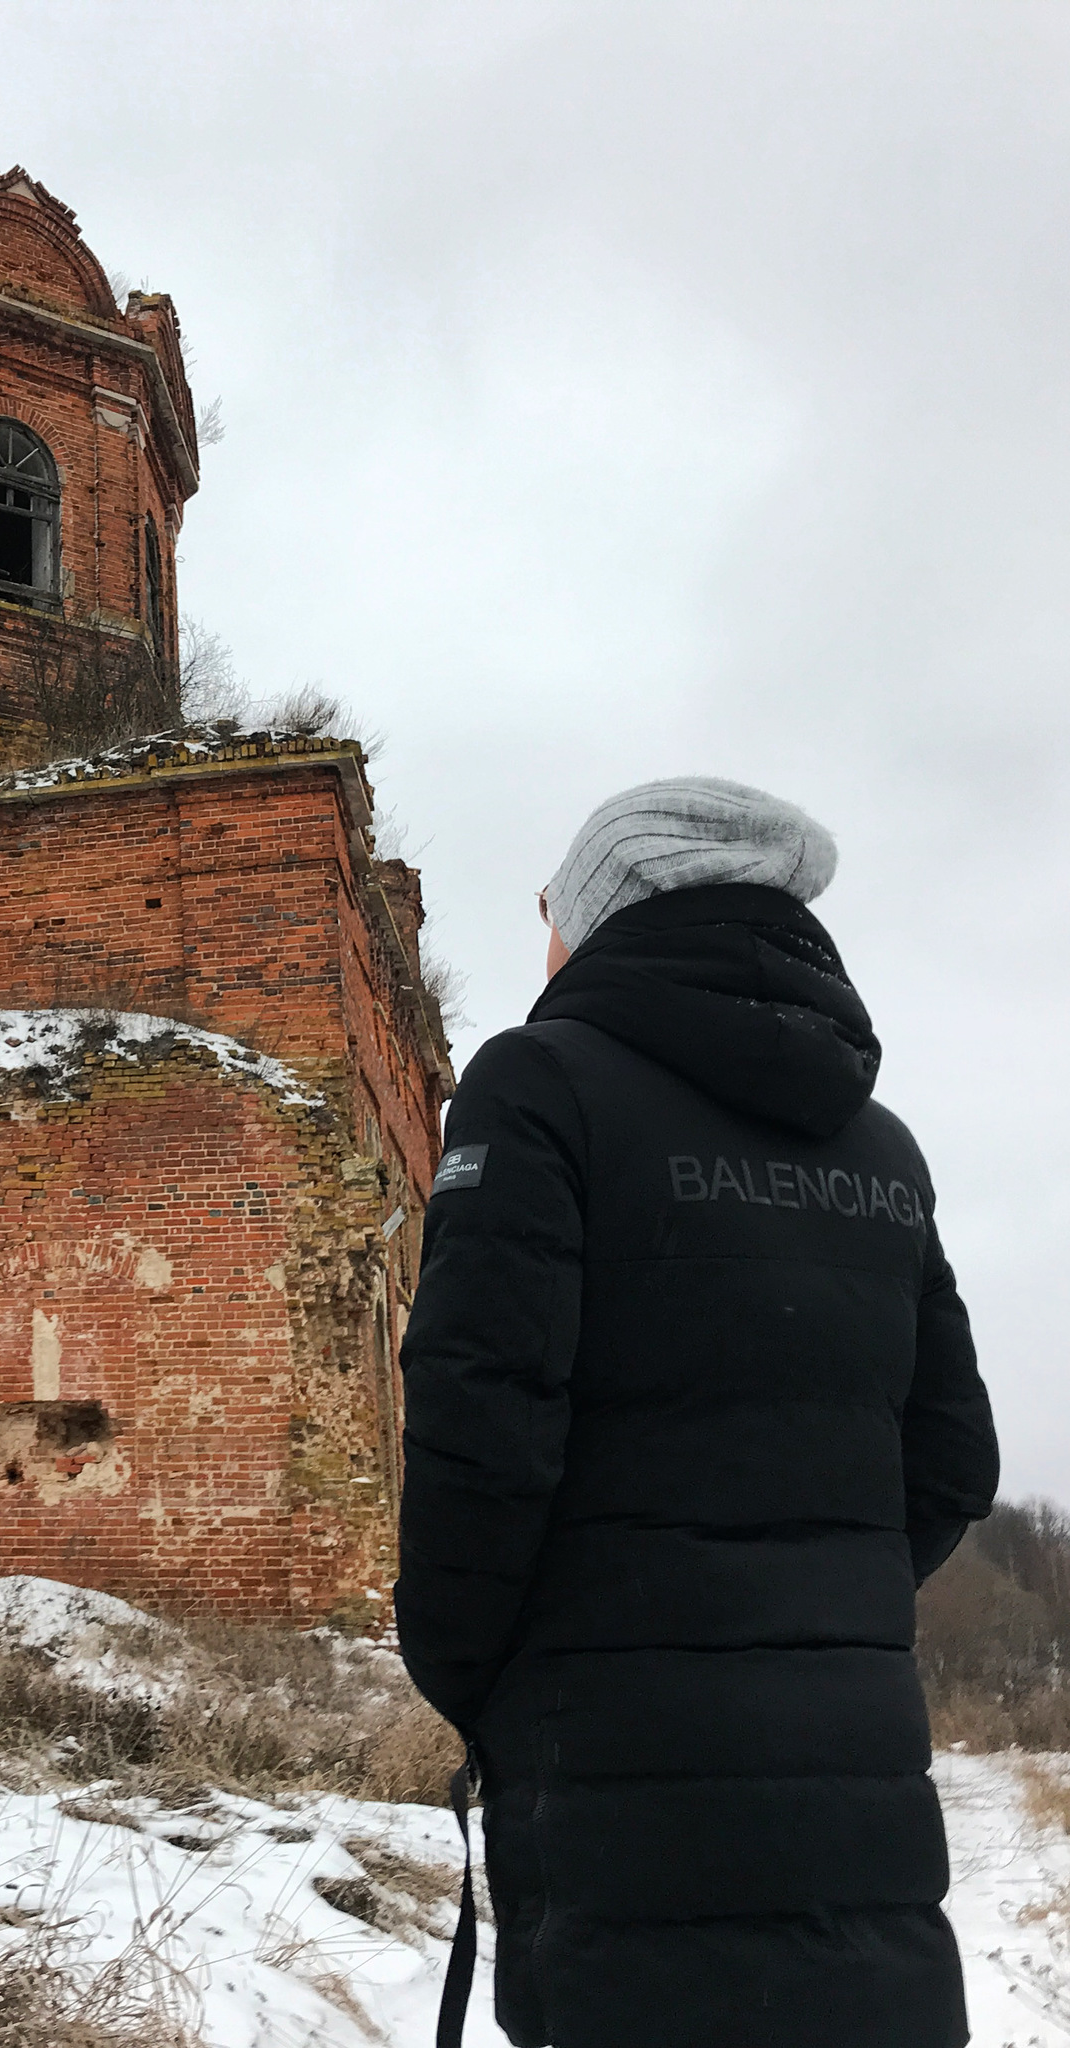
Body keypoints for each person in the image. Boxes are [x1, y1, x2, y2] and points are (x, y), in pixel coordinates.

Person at [395, 777, 998, 2048]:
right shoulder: (876, 1143)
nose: (543, 935)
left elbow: (477, 1418)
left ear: (610, 906)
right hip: (858, 1796)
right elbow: (951, 1457)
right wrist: (817, 1596)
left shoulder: (537, 1084)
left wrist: (474, 1666)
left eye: (553, 904)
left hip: (617, 1776)